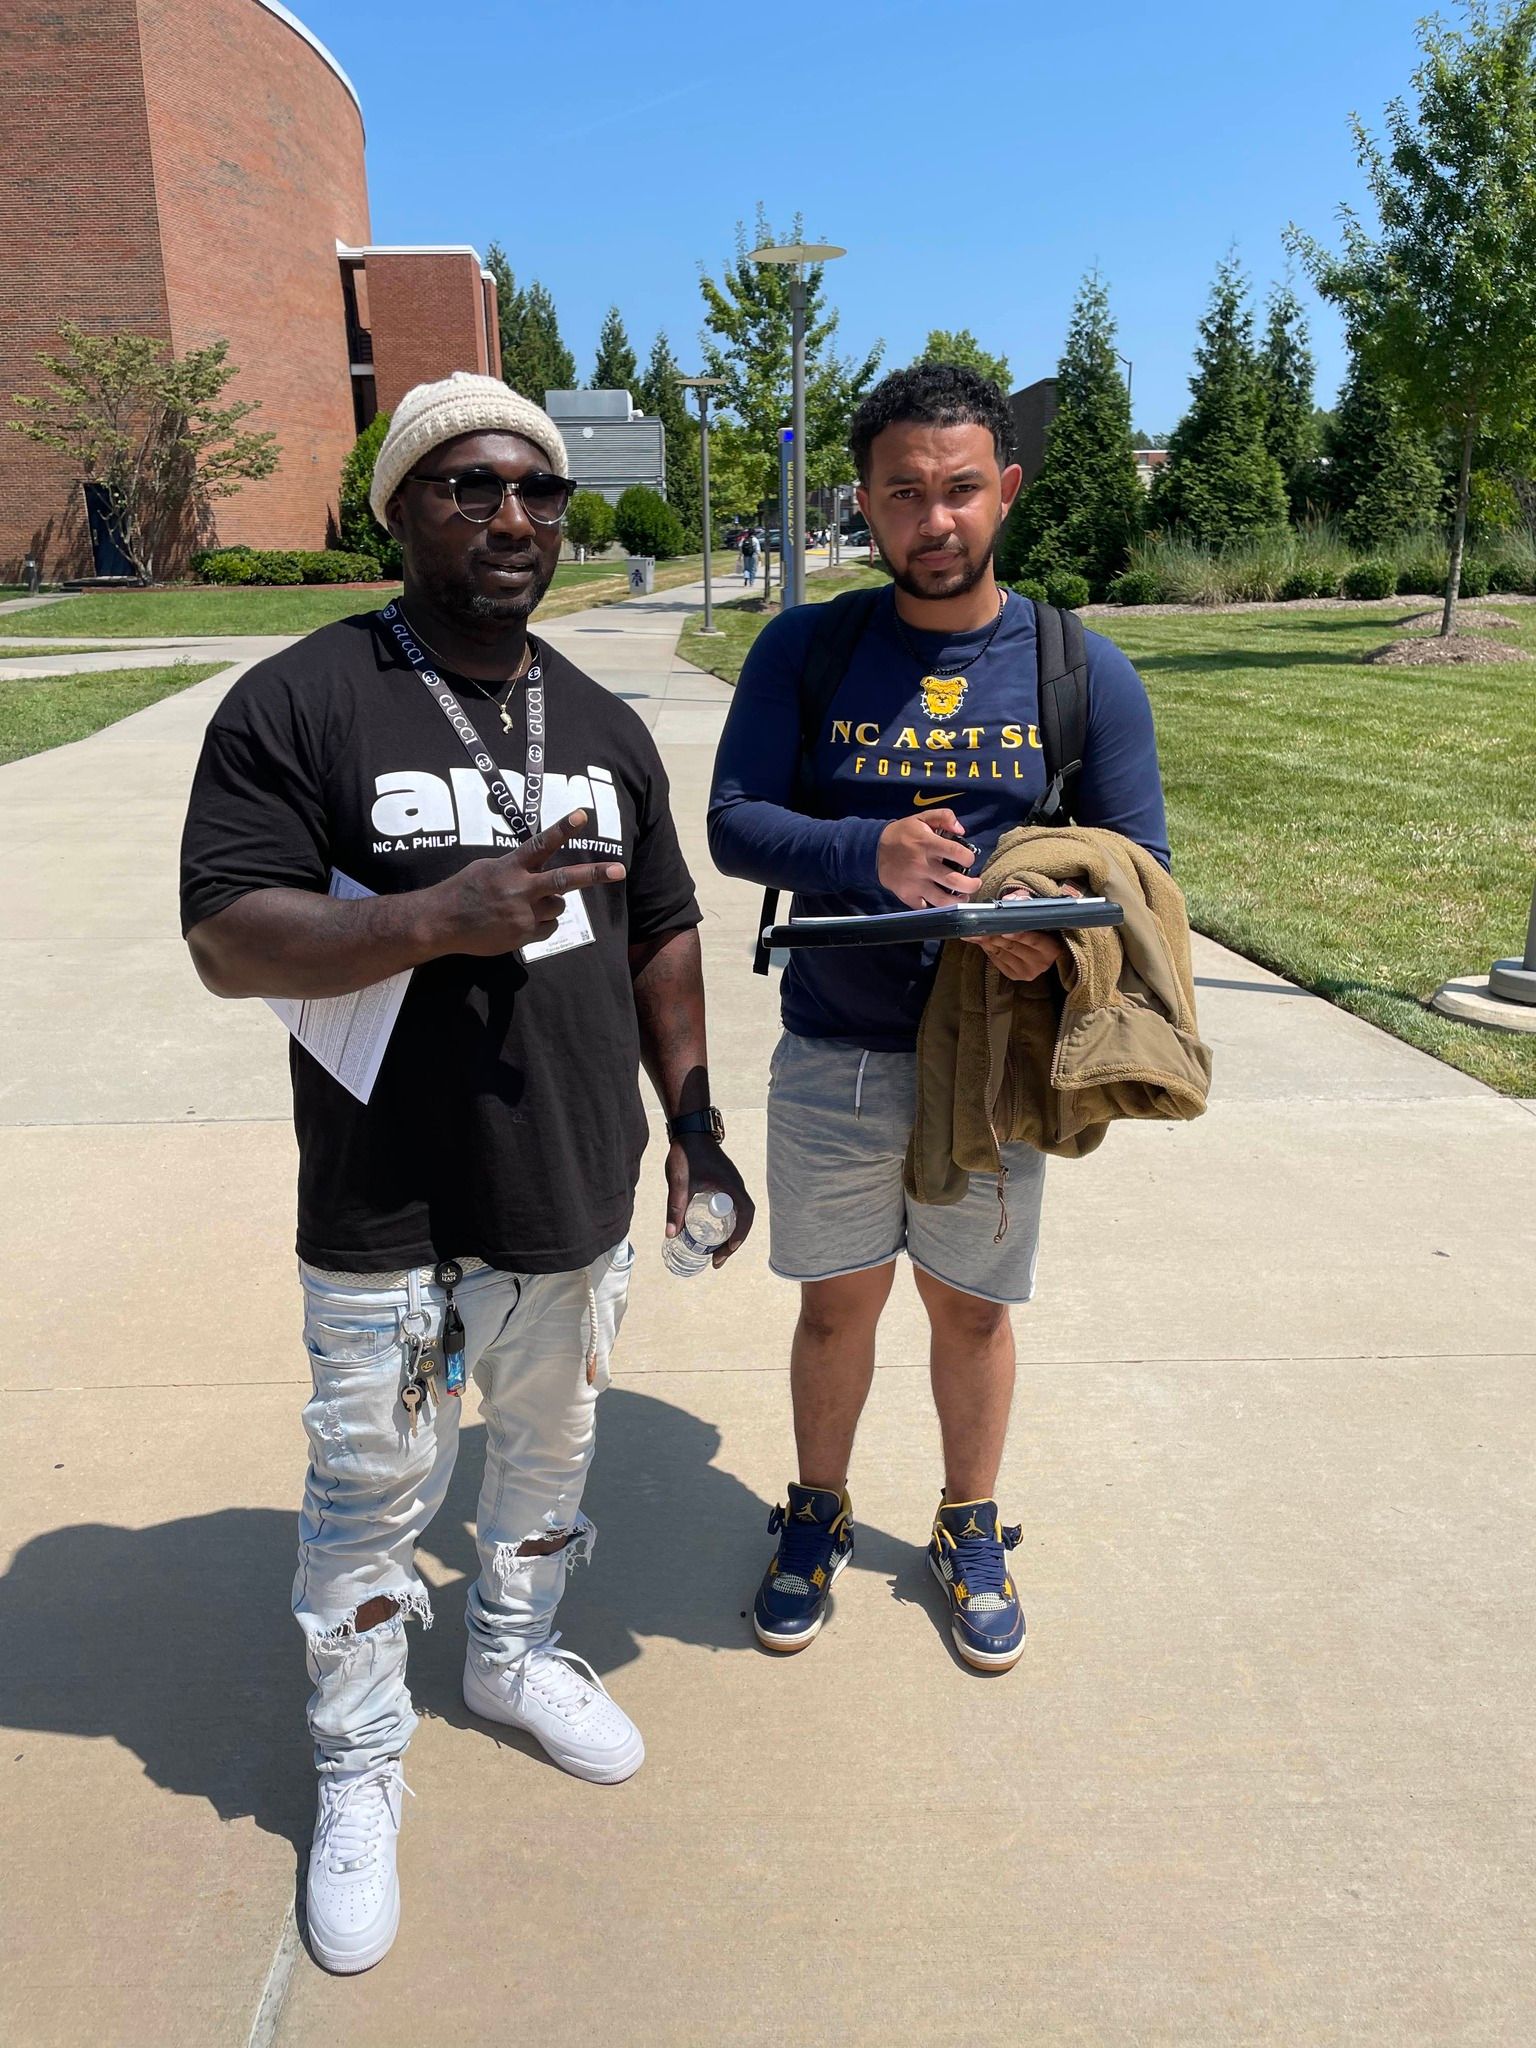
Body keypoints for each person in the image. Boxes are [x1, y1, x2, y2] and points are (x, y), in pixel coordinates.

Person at [179, 371, 753, 1974]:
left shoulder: (604, 719)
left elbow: (662, 933)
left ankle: (512, 1654)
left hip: (574, 1184)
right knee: (369, 1505)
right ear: (403, 507)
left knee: (548, 1467)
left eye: (538, 491)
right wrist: (437, 916)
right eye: (470, 487)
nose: (514, 519)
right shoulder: (302, 701)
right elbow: (230, 935)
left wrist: (697, 1121)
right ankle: (359, 1768)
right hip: (389, 1208)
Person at [707, 363, 1166, 1672]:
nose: (935, 518)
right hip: (839, 1044)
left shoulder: (1083, 669)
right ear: (863, 500)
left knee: (968, 1311)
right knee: (838, 1307)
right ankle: (817, 1512)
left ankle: (970, 1524)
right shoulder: (812, 649)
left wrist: (1052, 937)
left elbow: (1142, 869)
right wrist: (871, 854)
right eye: (904, 491)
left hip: (999, 1063)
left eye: (961, 488)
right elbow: (737, 824)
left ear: (1004, 491)